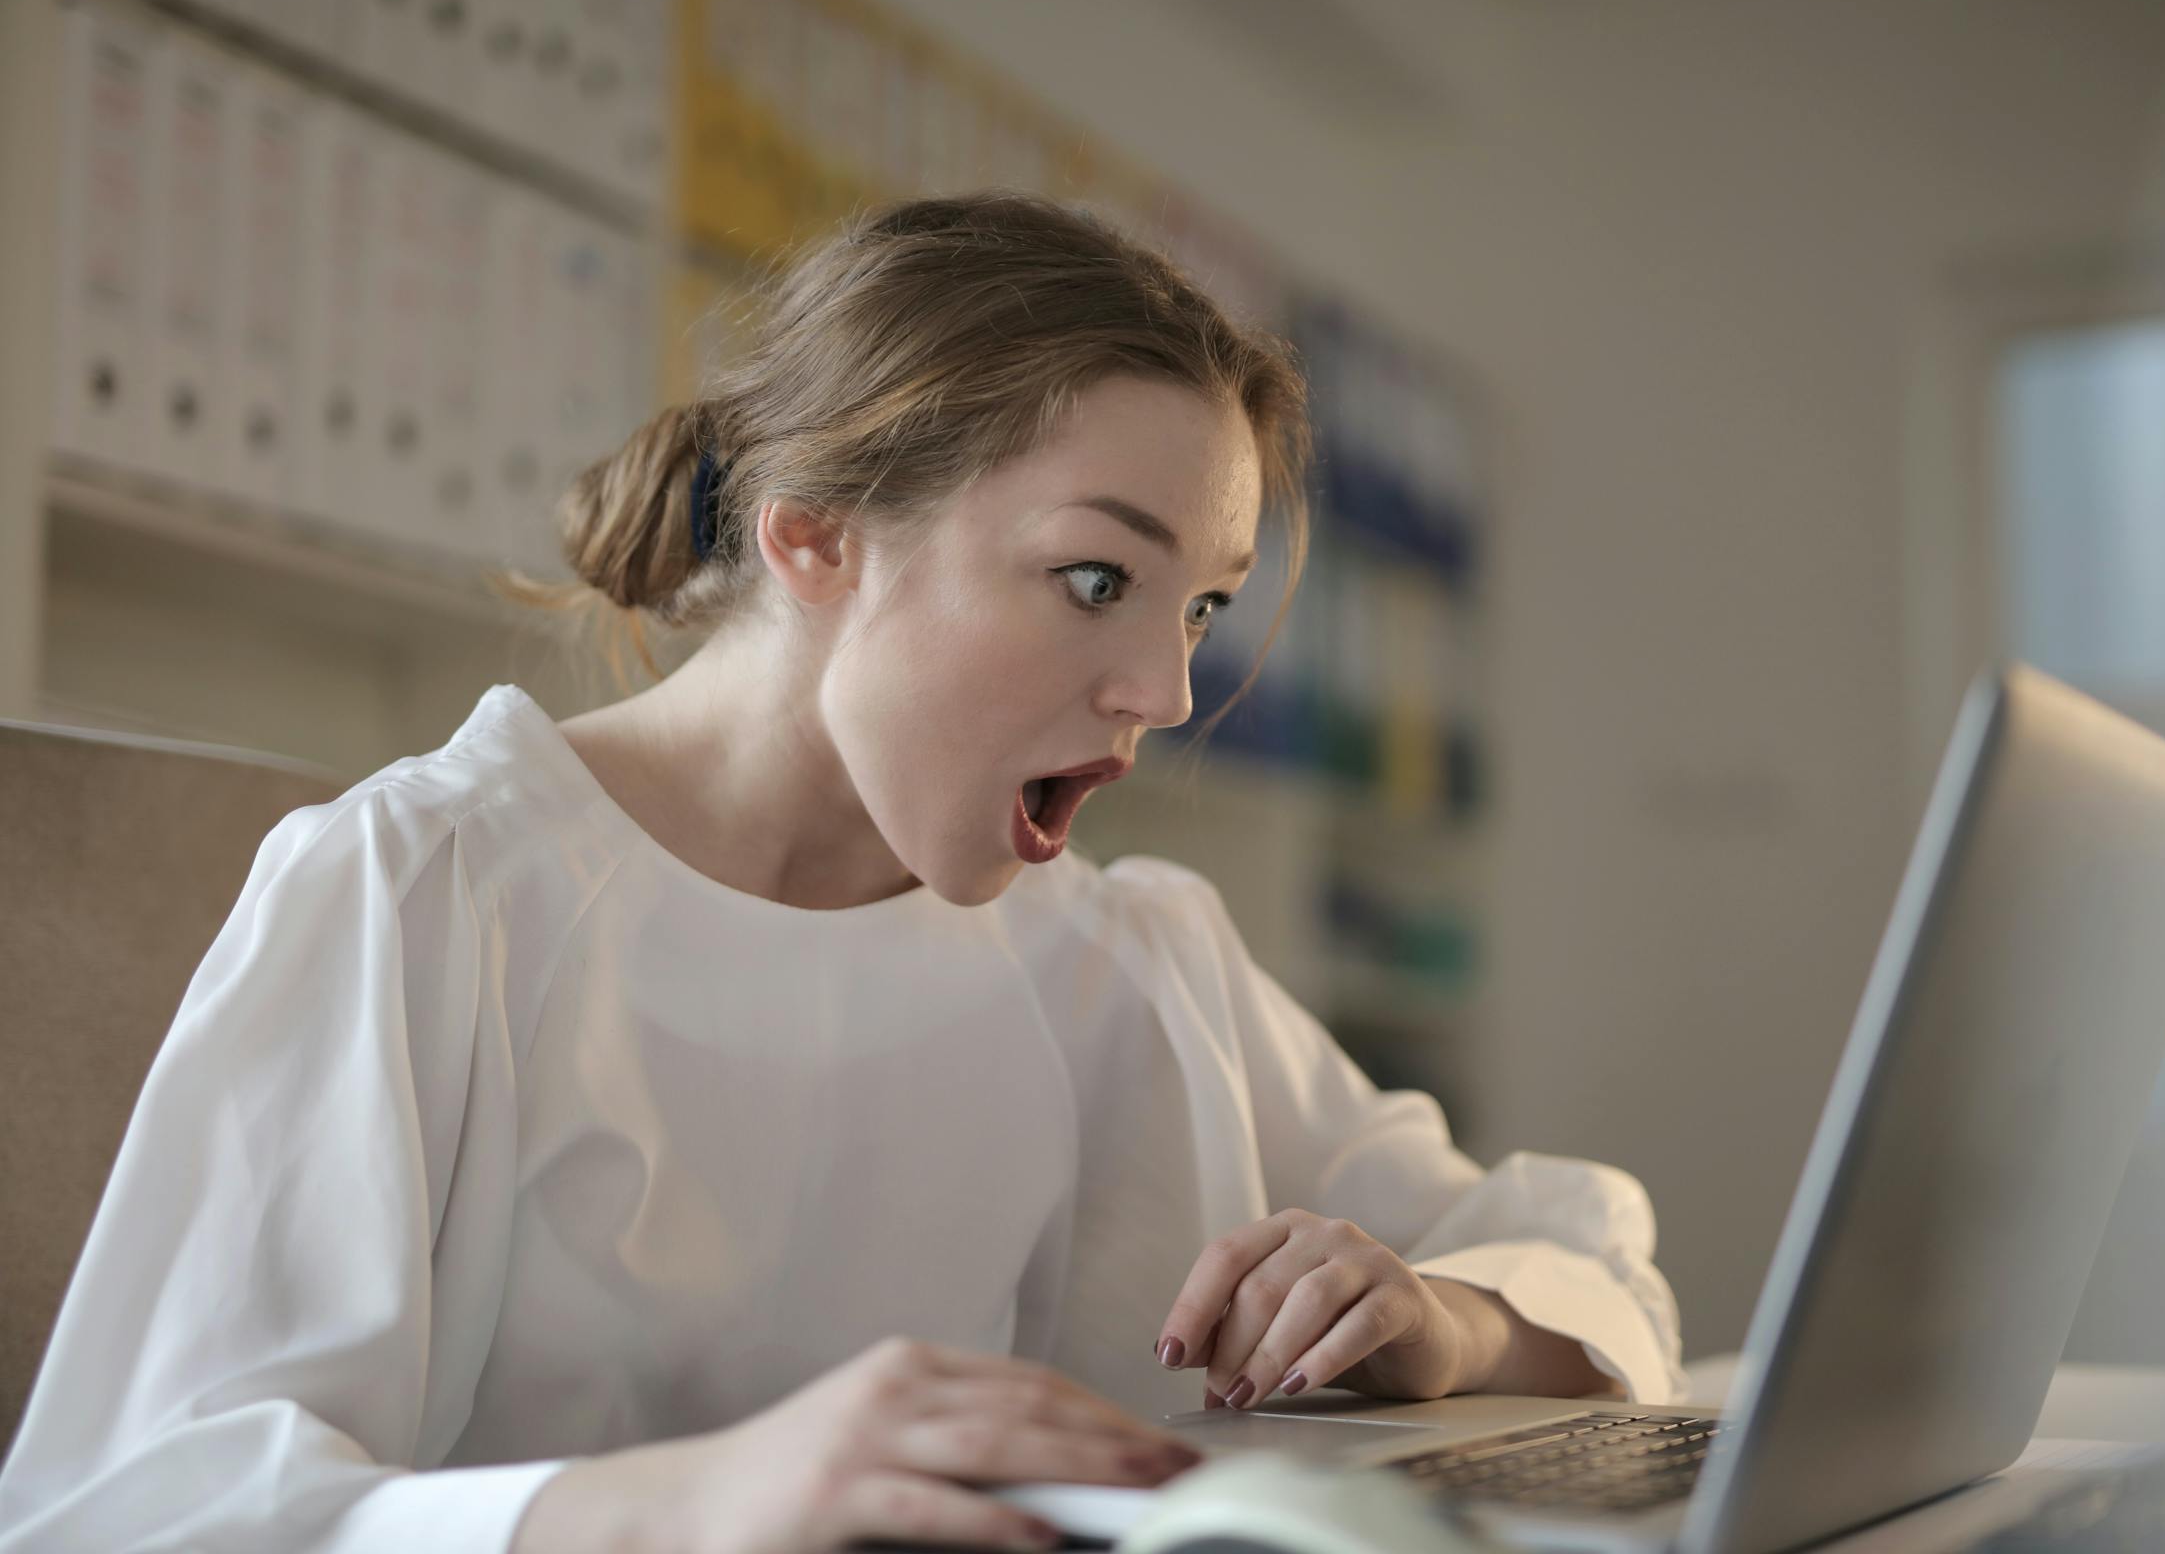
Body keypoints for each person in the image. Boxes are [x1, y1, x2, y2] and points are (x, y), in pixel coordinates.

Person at [0, 194, 1682, 1554]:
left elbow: (1574, 1256)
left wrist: (1443, 1325)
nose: (1164, 694)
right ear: (813, 535)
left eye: (1201, 607)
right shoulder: (428, 890)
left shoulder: (1128, 953)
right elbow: (126, 1512)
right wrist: (677, 1506)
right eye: (1098, 578)